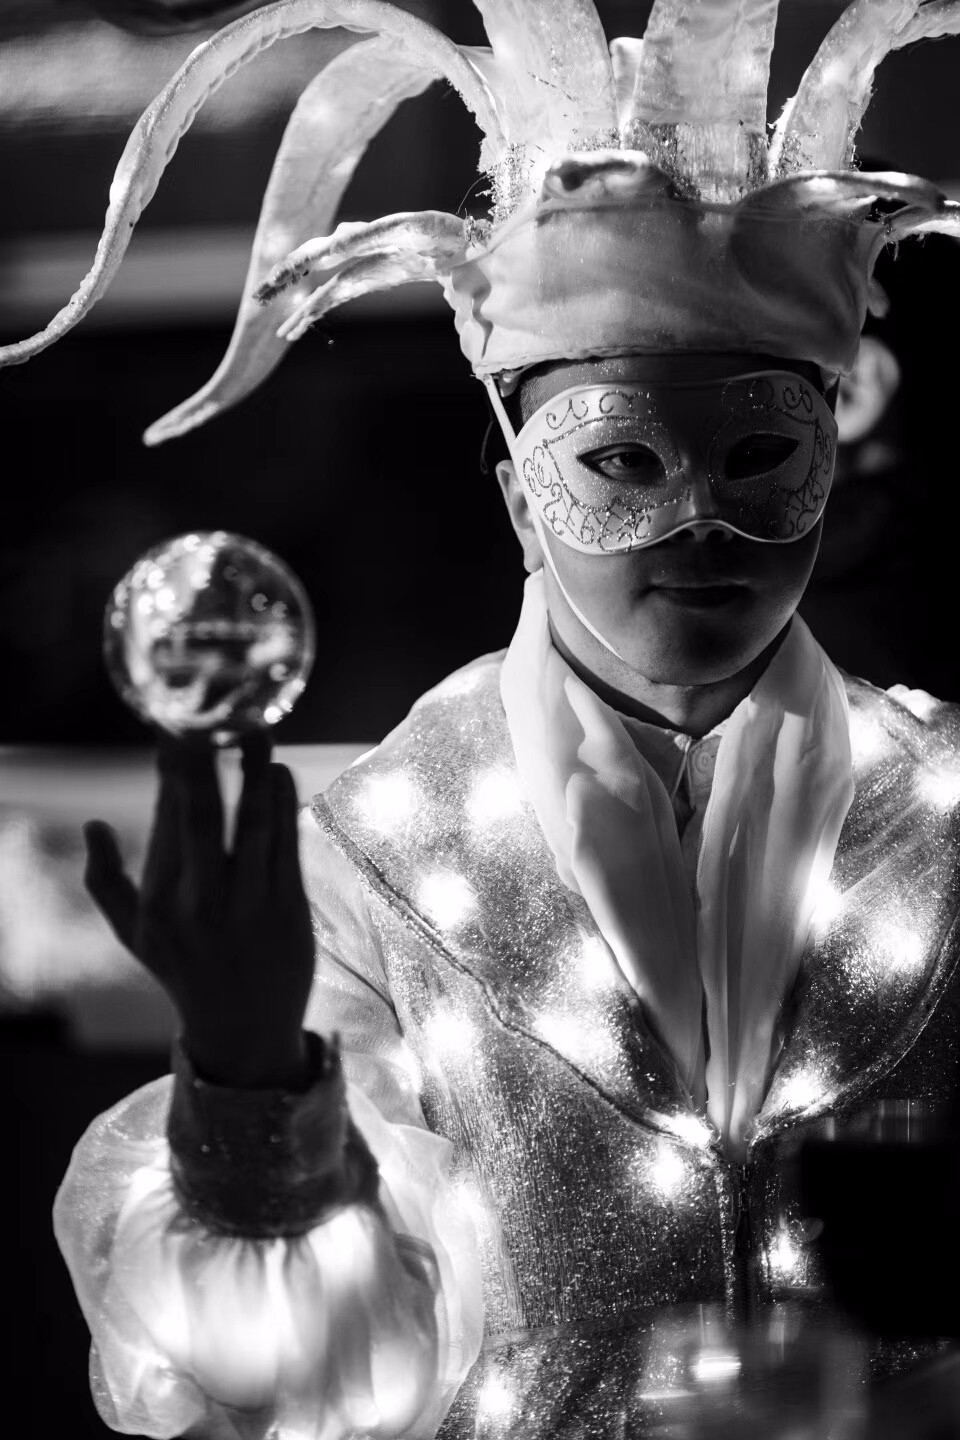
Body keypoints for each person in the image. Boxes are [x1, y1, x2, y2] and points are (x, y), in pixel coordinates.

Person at [6, 1, 960, 1437]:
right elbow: (316, 1384)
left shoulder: (945, 814)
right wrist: (255, 1081)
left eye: (762, 451)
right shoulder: (386, 856)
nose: (702, 521)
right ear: (521, 499)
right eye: (620, 459)